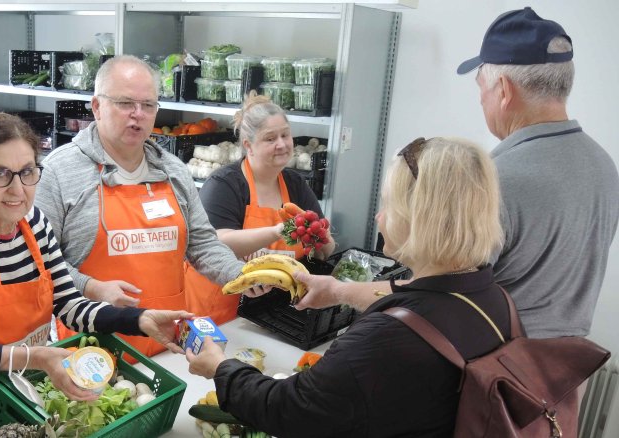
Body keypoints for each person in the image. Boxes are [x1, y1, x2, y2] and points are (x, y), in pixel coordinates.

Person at [297, 7, 619, 340]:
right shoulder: (604, 167)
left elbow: (438, 297)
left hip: (496, 375)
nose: (482, 101)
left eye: (482, 89)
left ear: (504, 90)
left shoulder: (491, 180)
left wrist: (338, 291)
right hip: (563, 375)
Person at [188, 137, 514, 437]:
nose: (378, 218)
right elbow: (418, 294)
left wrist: (220, 367)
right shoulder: (494, 299)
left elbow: (289, 408)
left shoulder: (383, 338)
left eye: (388, 205)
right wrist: (337, 291)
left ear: (419, 220)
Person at [0, 113, 191, 398]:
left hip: (35, 387)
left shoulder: (35, 224)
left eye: (27, 172)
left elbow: (70, 305)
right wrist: (34, 357)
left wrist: (138, 319)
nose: (17, 189)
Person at [35, 55, 252, 357]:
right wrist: (90, 286)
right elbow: (39, 262)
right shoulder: (60, 172)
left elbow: (202, 243)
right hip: (95, 348)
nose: (138, 114)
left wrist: (240, 275)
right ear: (97, 107)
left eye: (148, 105)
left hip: (169, 341)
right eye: (125, 103)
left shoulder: (173, 170)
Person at [184, 92, 335, 324]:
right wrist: (277, 232)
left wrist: (321, 236)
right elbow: (214, 241)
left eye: (286, 135)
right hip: (218, 313)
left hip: (271, 316)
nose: (282, 144)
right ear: (248, 145)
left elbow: (326, 249)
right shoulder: (225, 184)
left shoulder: (295, 185)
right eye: (270, 138)